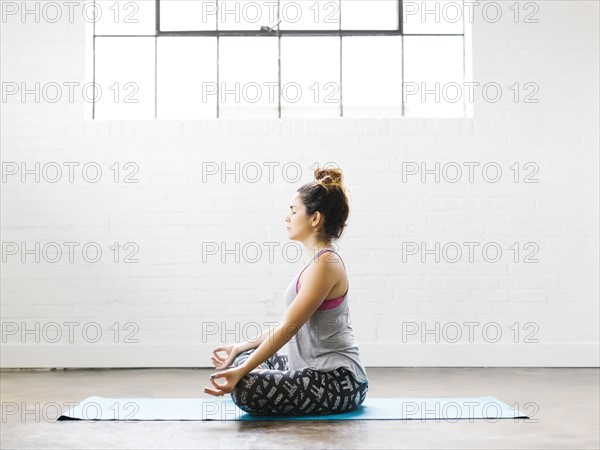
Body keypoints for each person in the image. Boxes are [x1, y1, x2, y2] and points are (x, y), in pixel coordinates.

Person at [203, 167, 369, 416]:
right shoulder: (316, 263)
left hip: (339, 380)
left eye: (293, 211)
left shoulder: (325, 265)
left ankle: (243, 375)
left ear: (315, 219)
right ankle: (243, 363)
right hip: (309, 369)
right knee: (245, 359)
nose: (287, 217)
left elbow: (287, 330)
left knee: (246, 386)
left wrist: (241, 372)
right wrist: (239, 348)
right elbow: (288, 324)